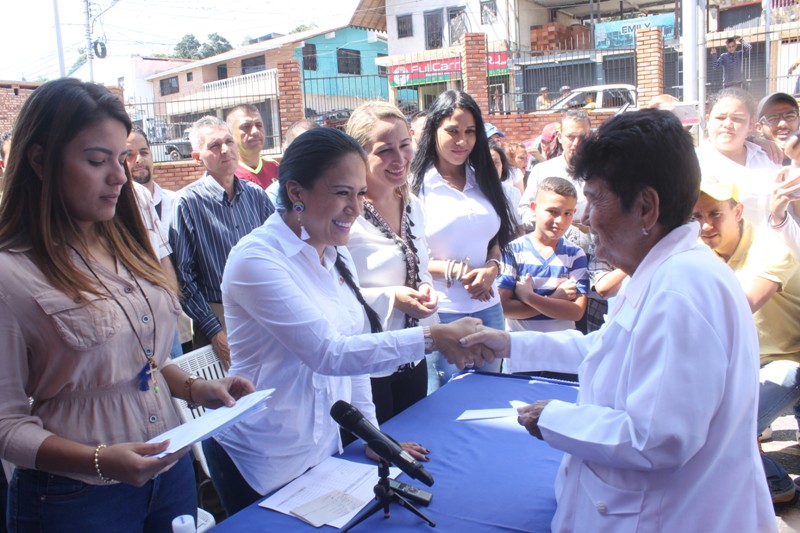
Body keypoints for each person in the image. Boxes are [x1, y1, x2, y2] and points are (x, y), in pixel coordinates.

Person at [461, 109, 776, 532]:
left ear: (646, 207)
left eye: (594, 199)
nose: (586, 220)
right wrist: (510, 343)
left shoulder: (680, 291)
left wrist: (553, 418)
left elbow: (658, 440)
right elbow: (608, 347)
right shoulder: (660, 271)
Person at [0, 78, 255, 532]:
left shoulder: (127, 246)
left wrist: (196, 390)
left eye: (120, 158)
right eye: (97, 160)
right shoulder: (12, 275)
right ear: (40, 160)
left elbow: (140, 362)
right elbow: (6, 425)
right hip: (76, 497)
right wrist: (99, 461)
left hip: (169, 466)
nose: (119, 175)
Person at [203, 127, 485, 515]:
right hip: (260, 455)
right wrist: (432, 337)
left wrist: (372, 435)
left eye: (359, 193)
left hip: (321, 447)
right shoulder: (257, 260)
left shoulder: (336, 252)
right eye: (341, 193)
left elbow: (356, 356)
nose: (355, 207)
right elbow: (328, 353)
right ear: (297, 192)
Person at [693, 180, 799, 503]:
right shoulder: (698, 253)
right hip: (744, 363)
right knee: (703, 423)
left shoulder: (771, 246)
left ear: (737, 211)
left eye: (715, 213)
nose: (706, 225)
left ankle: (767, 480)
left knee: (729, 424)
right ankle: (774, 481)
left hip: (789, 361)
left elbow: (739, 306)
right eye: (696, 216)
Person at [410, 90, 516, 389]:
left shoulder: (483, 179)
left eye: (470, 132)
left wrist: (492, 269)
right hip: (441, 312)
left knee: (489, 394)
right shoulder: (416, 186)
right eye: (452, 131)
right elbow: (408, 253)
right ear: (434, 131)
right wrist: (454, 271)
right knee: (443, 400)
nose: (462, 141)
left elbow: (495, 239)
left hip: (489, 307)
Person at [345, 101, 439, 423]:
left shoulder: (412, 203)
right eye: (384, 151)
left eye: (404, 146)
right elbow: (334, 293)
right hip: (368, 365)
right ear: (360, 156)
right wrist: (392, 298)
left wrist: (425, 288)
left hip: (412, 352)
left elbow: (419, 264)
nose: (399, 159)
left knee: (417, 442)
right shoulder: (346, 214)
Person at [171, 116, 275, 369]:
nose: (225, 150)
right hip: (219, 316)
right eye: (214, 145)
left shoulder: (257, 196)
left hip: (265, 308)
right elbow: (184, 277)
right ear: (197, 156)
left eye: (228, 141)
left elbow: (278, 251)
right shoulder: (187, 202)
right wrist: (215, 332)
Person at [498, 177, 588, 374]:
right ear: (534, 208)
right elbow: (505, 308)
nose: (560, 221)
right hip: (521, 356)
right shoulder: (513, 251)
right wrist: (556, 300)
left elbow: (576, 312)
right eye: (553, 212)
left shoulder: (575, 254)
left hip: (563, 356)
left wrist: (529, 297)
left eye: (568, 214)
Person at [127, 127, 190, 357]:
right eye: (128, 155)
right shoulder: (118, 202)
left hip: (169, 317)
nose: (138, 160)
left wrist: (170, 307)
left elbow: (165, 258)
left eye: (144, 152)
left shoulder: (176, 201)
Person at [698, 87, 781, 229]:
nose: (728, 124)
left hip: (774, 247)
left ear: (751, 124)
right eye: (720, 118)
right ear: (708, 120)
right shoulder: (693, 163)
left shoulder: (768, 158)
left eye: (737, 119)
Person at [226, 104, 279, 190]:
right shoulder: (227, 176)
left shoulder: (275, 167)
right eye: (246, 126)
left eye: (259, 125)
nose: (255, 131)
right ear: (230, 134)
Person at [489, 143, 524, 236]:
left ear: (502, 167)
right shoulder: (468, 194)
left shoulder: (513, 193)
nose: (491, 167)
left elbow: (520, 226)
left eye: (496, 162)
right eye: (486, 162)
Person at [757, 92, 800, 165]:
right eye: (772, 118)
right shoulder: (751, 160)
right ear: (759, 128)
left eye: (790, 116)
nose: (782, 124)